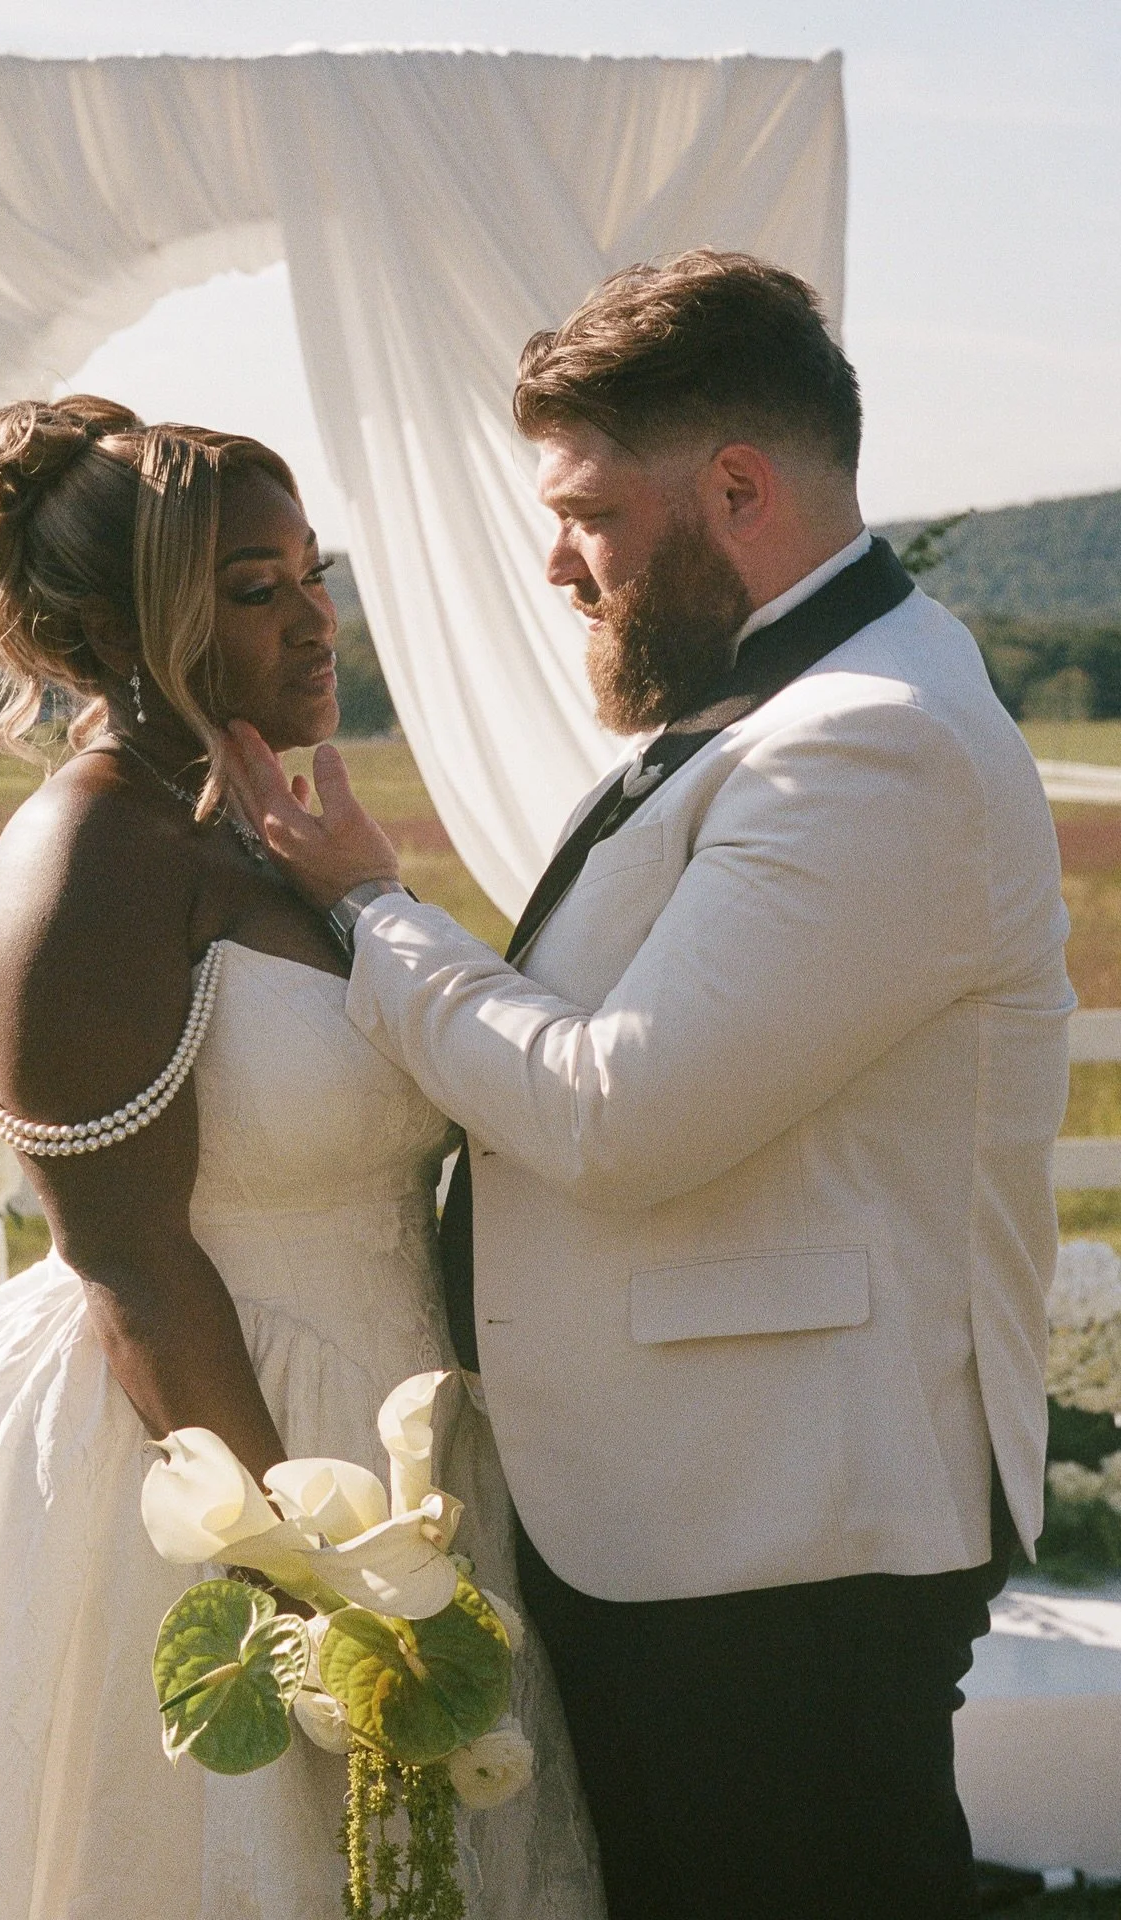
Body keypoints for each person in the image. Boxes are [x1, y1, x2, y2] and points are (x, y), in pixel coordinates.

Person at [227, 251, 1074, 1919]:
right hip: (713, 1505)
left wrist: (371, 911)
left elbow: (617, 1110)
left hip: (780, 1536)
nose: (555, 561)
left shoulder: (867, 742)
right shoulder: (780, 702)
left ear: (739, 487)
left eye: (589, 513)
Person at [0, 399, 603, 1920]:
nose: (317, 619)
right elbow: (132, 1264)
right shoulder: (88, 859)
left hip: (392, 1425)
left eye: (313, 572)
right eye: (257, 589)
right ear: (121, 626)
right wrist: (307, 1580)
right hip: (200, 1464)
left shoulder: (258, 835)